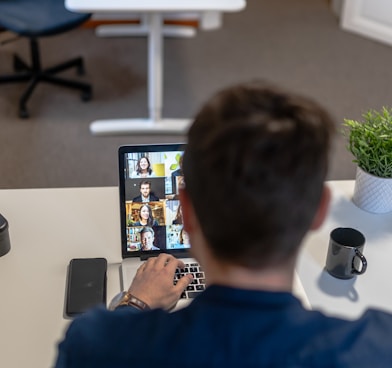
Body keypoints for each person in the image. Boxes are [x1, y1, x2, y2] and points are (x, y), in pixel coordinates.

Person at [55, 81, 392, 367]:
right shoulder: (376, 349)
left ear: (185, 212)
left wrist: (135, 304)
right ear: (320, 211)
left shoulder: (96, 346)